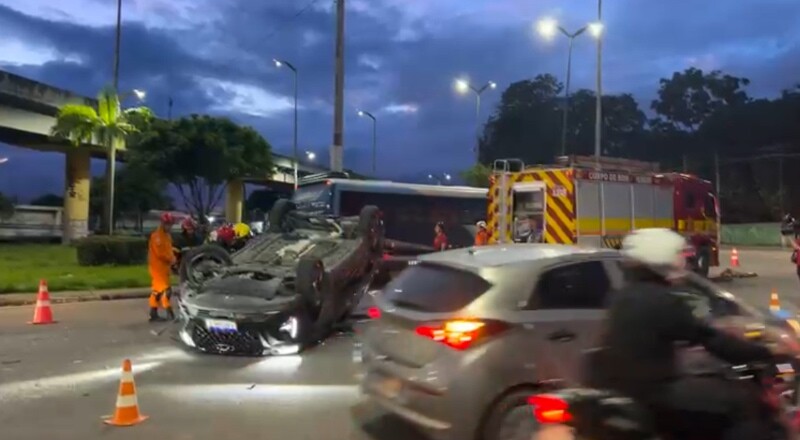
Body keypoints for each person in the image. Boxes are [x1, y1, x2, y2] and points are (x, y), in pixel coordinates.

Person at [587, 228, 781, 440]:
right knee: (743, 402)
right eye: (680, 257)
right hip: (652, 393)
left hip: (620, 389)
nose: (684, 263)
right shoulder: (662, 300)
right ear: (664, 259)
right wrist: (765, 352)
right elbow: (713, 341)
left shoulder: (622, 296)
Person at [148, 212, 177, 322]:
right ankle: (170, 313)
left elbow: (168, 249)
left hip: (164, 268)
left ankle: (153, 313)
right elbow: (160, 253)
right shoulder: (157, 236)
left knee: (157, 291)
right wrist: (171, 258)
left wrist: (175, 253)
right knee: (166, 290)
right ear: (163, 223)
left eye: (171, 224)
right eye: (168, 224)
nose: (170, 226)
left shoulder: (166, 236)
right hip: (157, 268)